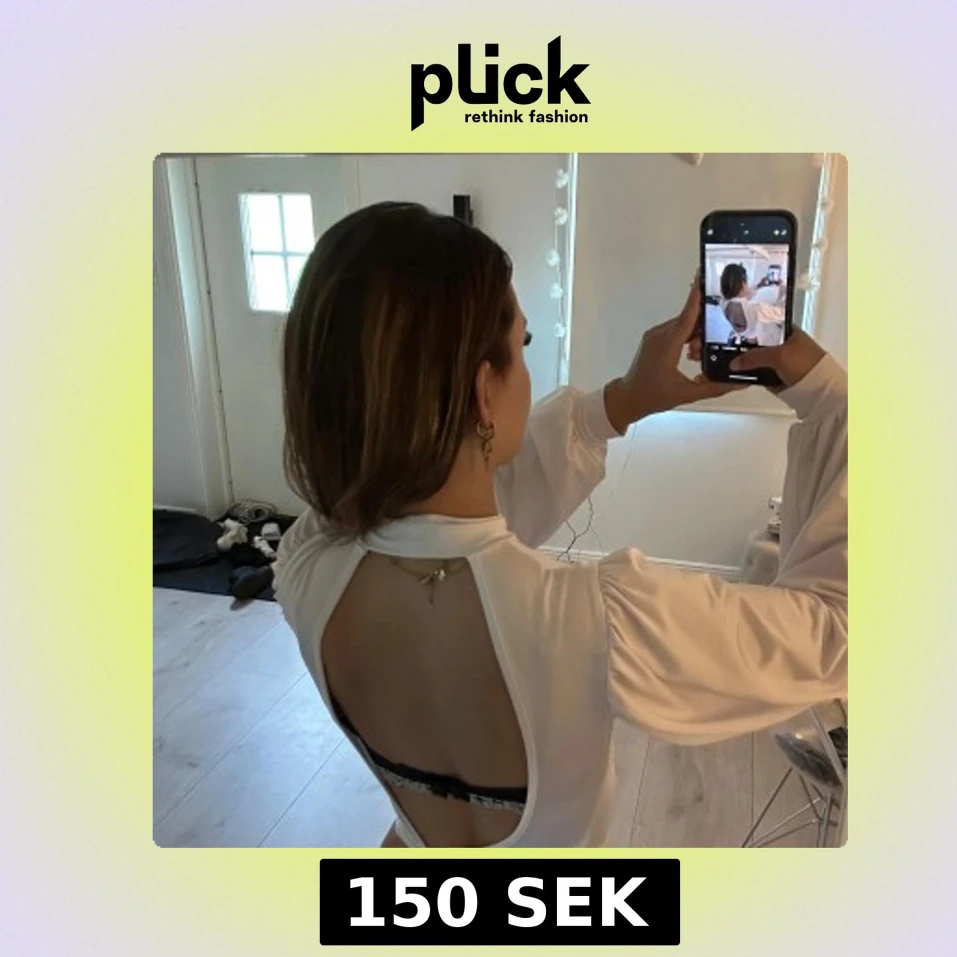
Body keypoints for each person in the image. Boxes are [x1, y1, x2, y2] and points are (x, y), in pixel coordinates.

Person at [273, 202, 846, 848]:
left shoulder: (305, 569)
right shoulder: (592, 625)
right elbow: (836, 631)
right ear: (483, 390)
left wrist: (625, 400)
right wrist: (830, 395)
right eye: (522, 346)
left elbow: (443, 511)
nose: (528, 365)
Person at [720, 261, 787, 347]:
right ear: (743, 284)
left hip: (741, 338)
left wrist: (759, 285)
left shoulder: (724, 302)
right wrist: (783, 286)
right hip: (754, 344)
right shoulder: (756, 310)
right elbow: (783, 313)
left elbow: (742, 296)